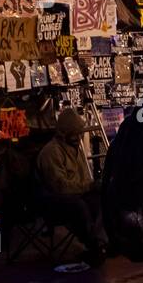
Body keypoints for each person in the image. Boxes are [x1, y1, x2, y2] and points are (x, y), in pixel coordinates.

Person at [36, 108, 107, 266]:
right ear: (64, 133)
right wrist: (88, 187)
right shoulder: (51, 152)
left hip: (75, 193)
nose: (78, 137)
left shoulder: (75, 149)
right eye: (74, 134)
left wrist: (94, 187)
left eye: (79, 133)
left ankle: (101, 242)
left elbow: (83, 179)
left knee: (103, 198)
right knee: (79, 207)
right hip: (55, 200)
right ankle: (94, 245)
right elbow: (60, 186)